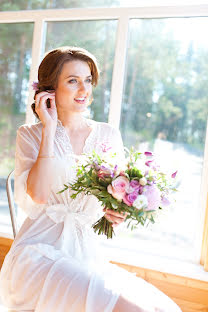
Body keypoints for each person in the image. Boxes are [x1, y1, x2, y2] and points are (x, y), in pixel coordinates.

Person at [0, 46, 181, 312]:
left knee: (163, 309)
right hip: (39, 252)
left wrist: (116, 215)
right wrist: (49, 129)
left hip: (86, 253)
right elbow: (37, 195)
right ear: (49, 89)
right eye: (72, 81)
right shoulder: (30, 134)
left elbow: (110, 205)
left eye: (87, 81)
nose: (84, 90)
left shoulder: (108, 134)